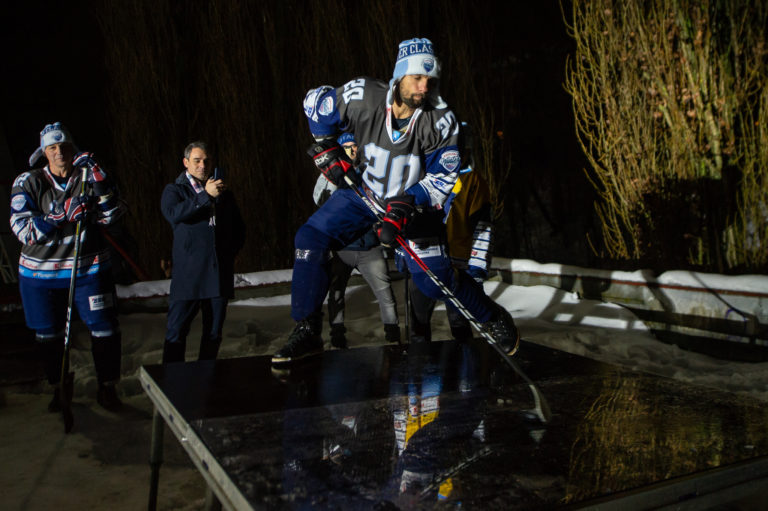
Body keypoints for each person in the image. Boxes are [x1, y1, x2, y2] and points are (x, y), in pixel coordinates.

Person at [272, 37, 518, 364]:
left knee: (434, 283)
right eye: (417, 77)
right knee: (310, 237)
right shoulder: (362, 95)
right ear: (399, 75)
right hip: (365, 194)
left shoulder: (442, 121)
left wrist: (408, 201)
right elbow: (315, 104)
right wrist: (327, 150)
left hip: (413, 208)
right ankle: (308, 329)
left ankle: (493, 318)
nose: (424, 86)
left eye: (431, 80)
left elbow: (443, 179)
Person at [9, 122, 125, 411]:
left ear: (73, 148)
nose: (59, 152)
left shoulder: (87, 175)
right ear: (43, 153)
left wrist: (100, 181)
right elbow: (21, 229)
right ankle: (59, 387)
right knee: (48, 333)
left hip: (87, 269)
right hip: (40, 274)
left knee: (105, 328)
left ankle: (107, 387)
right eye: (52, 147)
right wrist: (56, 216)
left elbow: (113, 216)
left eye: (64, 146)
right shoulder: (28, 181)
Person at [404, 123, 494, 343]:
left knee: (460, 324)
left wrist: (478, 266)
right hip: (423, 259)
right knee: (418, 326)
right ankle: (420, 369)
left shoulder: (473, 182)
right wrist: (402, 251)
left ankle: (467, 374)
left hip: (457, 265)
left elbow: (483, 227)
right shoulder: (420, 178)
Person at [160, 142, 245, 363]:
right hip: (189, 274)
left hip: (218, 274)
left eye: (206, 160)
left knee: (214, 333)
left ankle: (207, 382)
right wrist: (204, 196)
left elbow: (239, 228)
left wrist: (230, 254)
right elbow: (173, 214)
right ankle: (172, 382)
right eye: (197, 160)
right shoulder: (175, 190)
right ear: (186, 162)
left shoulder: (223, 193)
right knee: (176, 332)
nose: (202, 165)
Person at [313, 133, 400, 348]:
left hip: (370, 246)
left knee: (385, 292)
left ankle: (393, 335)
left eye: (355, 147)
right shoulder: (327, 176)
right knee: (336, 292)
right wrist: (334, 178)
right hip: (342, 247)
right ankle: (337, 335)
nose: (352, 151)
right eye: (347, 147)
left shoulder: (369, 172)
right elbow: (319, 202)